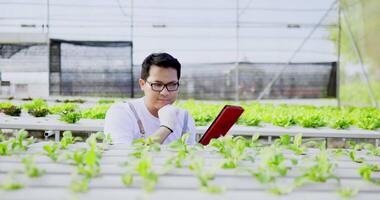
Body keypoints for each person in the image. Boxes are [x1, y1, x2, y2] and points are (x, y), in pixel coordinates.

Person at [104, 53, 196, 145]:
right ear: (142, 84)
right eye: (157, 85)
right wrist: (166, 128)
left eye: (172, 84)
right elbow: (123, 156)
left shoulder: (185, 118)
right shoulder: (122, 112)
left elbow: (190, 157)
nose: (165, 92)